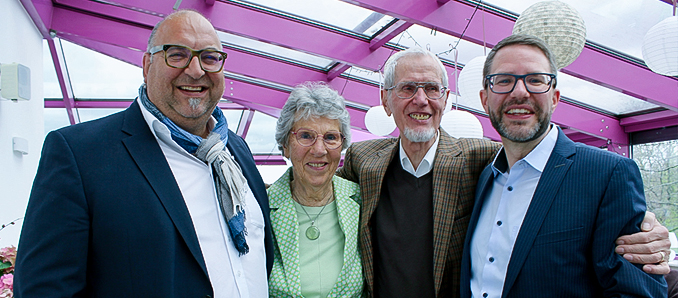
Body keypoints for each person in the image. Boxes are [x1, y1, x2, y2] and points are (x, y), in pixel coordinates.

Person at [337, 46, 671, 297]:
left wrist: (650, 231)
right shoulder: (363, 160)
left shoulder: (479, 158)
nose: (421, 100)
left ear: (447, 98)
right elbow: (324, 205)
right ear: (385, 100)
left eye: (432, 89)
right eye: (407, 89)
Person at [14, 10, 272, 298]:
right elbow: (45, 290)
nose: (196, 70)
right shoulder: (81, 154)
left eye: (210, 57)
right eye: (177, 54)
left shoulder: (236, 151)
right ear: (147, 64)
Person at [460, 34, 666, 297]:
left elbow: (637, 292)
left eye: (535, 80)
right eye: (504, 81)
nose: (520, 92)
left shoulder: (607, 174)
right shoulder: (482, 176)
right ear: (485, 99)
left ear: (555, 97)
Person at [267, 82, 363, 297]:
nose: (319, 150)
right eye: (306, 136)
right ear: (285, 145)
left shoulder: (362, 201)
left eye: (330, 137)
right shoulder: (260, 210)